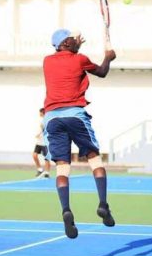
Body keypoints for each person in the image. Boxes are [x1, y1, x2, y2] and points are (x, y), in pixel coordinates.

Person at [42, 29, 116, 239]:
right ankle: (103, 204)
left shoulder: (47, 61)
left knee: (62, 168)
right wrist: (108, 57)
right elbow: (101, 71)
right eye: (73, 39)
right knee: (94, 158)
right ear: (66, 42)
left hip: (52, 118)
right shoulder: (80, 59)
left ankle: (66, 209)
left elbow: (69, 59)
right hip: (75, 114)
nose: (77, 40)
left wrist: (75, 46)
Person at [33, 108, 50, 178]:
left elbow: (45, 130)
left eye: (40, 112)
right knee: (34, 155)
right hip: (39, 142)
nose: (39, 114)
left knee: (46, 158)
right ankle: (40, 169)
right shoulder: (41, 120)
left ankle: (47, 172)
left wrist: (40, 133)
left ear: (43, 113)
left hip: (45, 143)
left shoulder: (47, 120)